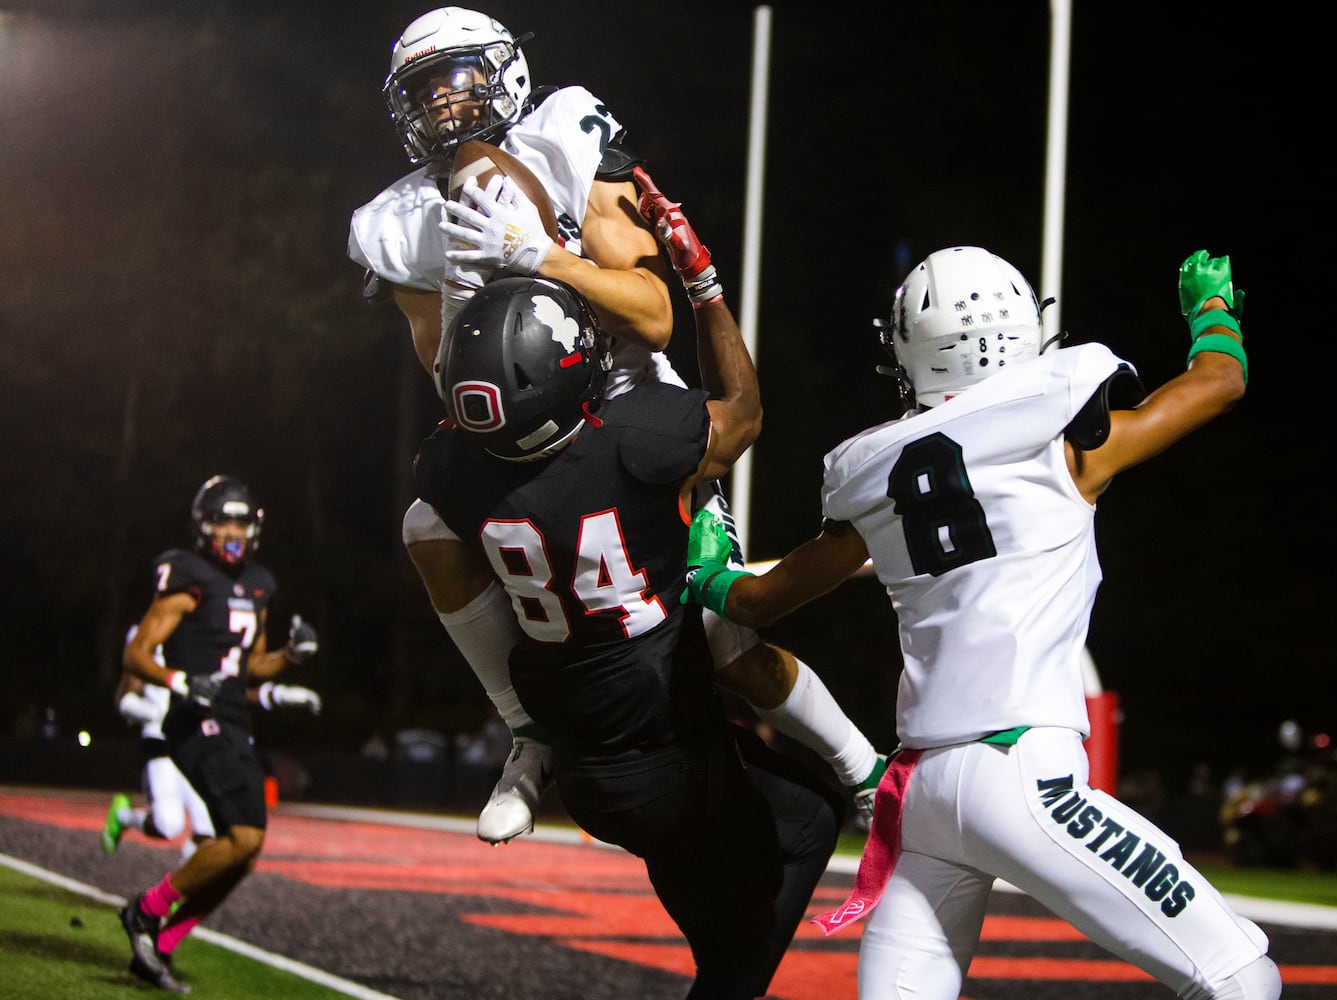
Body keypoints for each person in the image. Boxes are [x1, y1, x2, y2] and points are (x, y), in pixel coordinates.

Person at [682, 247, 1281, 998]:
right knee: (1240, 975)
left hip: (924, 796)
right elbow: (1220, 380)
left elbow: (755, 604)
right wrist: (1213, 312)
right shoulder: (1067, 450)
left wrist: (708, 570)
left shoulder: (877, 483)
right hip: (1025, 776)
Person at [348, 5, 880, 845]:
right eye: (424, 92)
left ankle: (861, 772)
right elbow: (453, 382)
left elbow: (654, 317)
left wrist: (543, 255)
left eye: (457, 81)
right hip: (523, 428)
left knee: (721, 638)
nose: (445, 108)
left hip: (627, 406)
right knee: (427, 526)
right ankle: (527, 732)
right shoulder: (398, 222)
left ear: (504, 70)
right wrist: (461, 282)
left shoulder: (565, 134)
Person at [410, 179, 841, 998]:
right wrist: (705, 286)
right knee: (806, 826)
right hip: (667, 748)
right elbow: (743, 412)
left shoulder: (454, 477)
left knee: (712, 914)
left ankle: (520, 737)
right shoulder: (636, 442)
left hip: (584, 760)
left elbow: (453, 447)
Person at [116, 475, 320, 993]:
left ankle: (161, 946)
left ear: (254, 527)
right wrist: (180, 680)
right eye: (222, 519)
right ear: (204, 525)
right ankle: (145, 911)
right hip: (192, 719)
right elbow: (136, 654)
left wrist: (291, 658)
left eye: (239, 520)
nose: (231, 530)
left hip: (234, 720)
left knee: (243, 856)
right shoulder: (187, 575)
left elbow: (252, 666)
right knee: (243, 836)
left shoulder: (260, 584)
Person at [102, 626, 322, 861]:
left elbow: (233, 690)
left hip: (197, 738)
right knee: (168, 824)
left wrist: (278, 694)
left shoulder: (211, 630)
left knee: (211, 829)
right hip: (160, 741)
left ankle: (177, 893)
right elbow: (125, 698)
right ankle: (125, 816)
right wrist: (159, 713)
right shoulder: (150, 630)